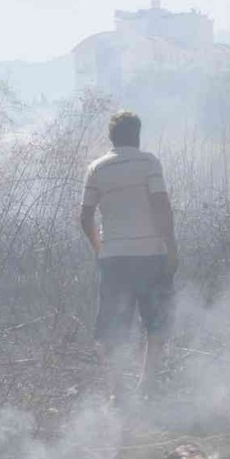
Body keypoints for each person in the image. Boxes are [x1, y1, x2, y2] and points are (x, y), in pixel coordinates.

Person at [80, 111, 179, 398]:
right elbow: (162, 207)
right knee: (157, 322)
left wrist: (100, 249)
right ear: (137, 135)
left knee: (112, 329)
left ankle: (117, 393)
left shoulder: (97, 169)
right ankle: (146, 386)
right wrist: (171, 247)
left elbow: (85, 217)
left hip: (114, 260)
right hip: (151, 256)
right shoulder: (148, 163)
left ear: (111, 137)